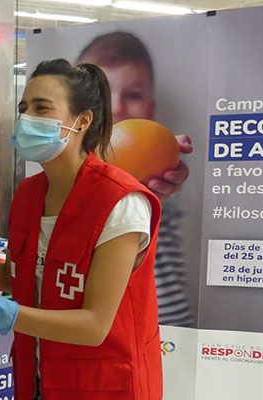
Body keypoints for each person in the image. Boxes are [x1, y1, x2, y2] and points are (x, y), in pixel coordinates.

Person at [0, 59, 163, 400]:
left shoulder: (119, 201)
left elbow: (95, 325)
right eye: (24, 107)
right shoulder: (28, 194)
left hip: (104, 384)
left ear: (82, 121)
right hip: (38, 375)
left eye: (42, 108)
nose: (27, 118)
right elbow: (15, 277)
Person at [77, 31, 195, 327]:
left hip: (169, 321)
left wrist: (160, 169)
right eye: (102, 96)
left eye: (133, 95)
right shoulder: (65, 167)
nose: (116, 107)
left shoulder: (155, 161)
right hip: (104, 327)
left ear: (150, 110)